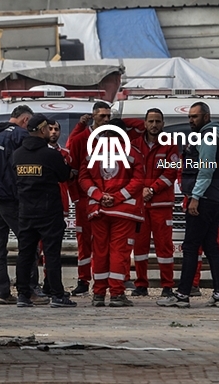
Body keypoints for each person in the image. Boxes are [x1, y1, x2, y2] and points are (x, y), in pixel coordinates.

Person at [159, 102, 219, 309]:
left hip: (204, 200)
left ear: (206, 117)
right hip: (216, 199)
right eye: (189, 117)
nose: (191, 120)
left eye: (195, 117)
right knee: (211, 247)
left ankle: (182, 294)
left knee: (190, 247)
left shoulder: (208, 137)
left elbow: (206, 170)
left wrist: (195, 197)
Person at [77, 113, 145, 307]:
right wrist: (118, 197)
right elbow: (139, 180)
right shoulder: (132, 151)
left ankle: (98, 294)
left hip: (98, 210)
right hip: (123, 211)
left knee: (99, 252)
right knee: (119, 252)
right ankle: (116, 294)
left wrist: (99, 195)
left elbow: (83, 178)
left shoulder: (94, 151)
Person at [0, 104, 42, 305]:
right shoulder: (18, 136)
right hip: (10, 197)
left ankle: (3, 293)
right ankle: (30, 290)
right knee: (28, 242)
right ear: (25, 120)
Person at [13, 114, 78, 308]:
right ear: (42, 130)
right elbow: (64, 175)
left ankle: (23, 295)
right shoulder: (51, 155)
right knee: (52, 254)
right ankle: (57, 295)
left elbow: (12, 178)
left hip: (25, 212)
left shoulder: (17, 155)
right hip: (49, 212)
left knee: (25, 253)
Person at [127, 109, 180, 298]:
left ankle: (167, 286)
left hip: (161, 205)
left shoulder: (170, 146)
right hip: (140, 206)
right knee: (139, 248)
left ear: (163, 124)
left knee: (164, 247)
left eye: (158, 121)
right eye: (151, 121)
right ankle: (141, 284)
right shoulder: (134, 145)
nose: (154, 125)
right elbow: (130, 172)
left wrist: (152, 189)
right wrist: (140, 190)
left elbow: (171, 172)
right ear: (145, 123)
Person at [65, 101, 113, 295]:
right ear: (93, 116)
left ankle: (107, 278)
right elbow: (72, 170)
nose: (107, 120)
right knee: (84, 241)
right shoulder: (80, 139)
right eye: (102, 116)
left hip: (108, 197)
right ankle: (83, 279)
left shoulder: (114, 138)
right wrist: (76, 198)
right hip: (85, 199)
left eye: (109, 116)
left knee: (107, 240)